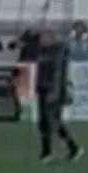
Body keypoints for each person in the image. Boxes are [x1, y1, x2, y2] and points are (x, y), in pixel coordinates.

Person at [35, 30, 83, 164]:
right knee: (43, 122)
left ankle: (73, 147)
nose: (41, 40)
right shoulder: (43, 52)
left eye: (43, 37)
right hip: (43, 89)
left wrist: (54, 92)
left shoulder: (57, 53)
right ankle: (46, 151)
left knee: (54, 121)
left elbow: (57, 75)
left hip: (53, 91)